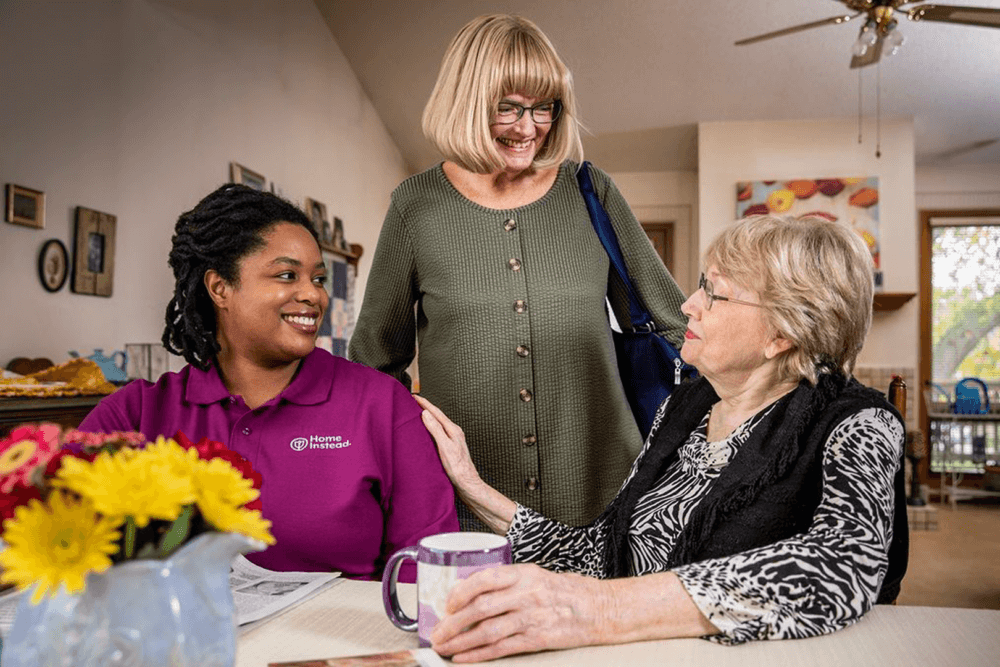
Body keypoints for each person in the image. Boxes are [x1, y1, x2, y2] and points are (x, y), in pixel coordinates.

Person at [416, 215, 908, 661]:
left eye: (713, 292)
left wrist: (598, 610)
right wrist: (472, 486)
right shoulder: (685, 408)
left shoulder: (859, 423)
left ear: (781, 333)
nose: (688, 305)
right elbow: (604, 553)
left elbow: (845, 564)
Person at [349, 14, 687, 529]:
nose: (528, 127)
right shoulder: (414, 207)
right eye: (507, 108)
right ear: (467, 103)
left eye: (543, 107)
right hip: (465, 506)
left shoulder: (590, 193)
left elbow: (673, 325)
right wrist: (410, 465)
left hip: (604, 497)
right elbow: (375, 364)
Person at [79, 184, 458, 581]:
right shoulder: (136, 414)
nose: (312, 295)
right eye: (287, 275)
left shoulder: (382, 404)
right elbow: (56, 534)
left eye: (318, 279)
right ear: (220, 288)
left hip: (343, 641)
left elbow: (429, 570)